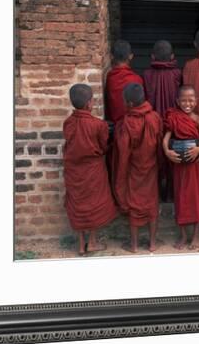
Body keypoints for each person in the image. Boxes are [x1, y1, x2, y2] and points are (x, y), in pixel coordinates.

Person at [62, 84, 117, 255]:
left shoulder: (68, 123)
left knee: (77, 204)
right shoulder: (98, 125)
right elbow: (103, 146)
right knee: (93, 204)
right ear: (88, 104)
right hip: (93, 169)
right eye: (92, 100)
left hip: (73, 170)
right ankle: (92, 242)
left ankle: (80, 245)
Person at [112, 83, 162, 253]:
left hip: (134, 168)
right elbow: (160, 142)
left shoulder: (126, 122)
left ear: (130, 104)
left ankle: (133, 245)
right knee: (151, 203)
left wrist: (120, 172)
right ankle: (152, 243)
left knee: (135, 204)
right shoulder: (155, 117)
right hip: (152, 165)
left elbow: (123, 151)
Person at [163, 85, 199, 250]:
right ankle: (183, 235)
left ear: (196, 101)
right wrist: (167, 152)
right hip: (179, 166)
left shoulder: (198, 120)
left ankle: (196, 236)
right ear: (177, 101)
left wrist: (198, 149)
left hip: (194, 166)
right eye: (183, 100)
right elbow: (165, 138)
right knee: (181, 199)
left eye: (190, 100)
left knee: (195, 199)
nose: (187, 103)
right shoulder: (174, 117)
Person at [142, 40, 182, 201]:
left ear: (152, 56)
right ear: (172, 56)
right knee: (174, 160)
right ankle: (172, 195)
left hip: (153, 123)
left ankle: (156, 195)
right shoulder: (177, 73)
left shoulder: (146, 74)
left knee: (155, 159)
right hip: (174, 123)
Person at [105, 39, 144, 124]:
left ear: (111, 56)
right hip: (134, 124)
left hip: (115, 125)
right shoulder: (137, 79)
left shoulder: (110, 78)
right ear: (130, 56)